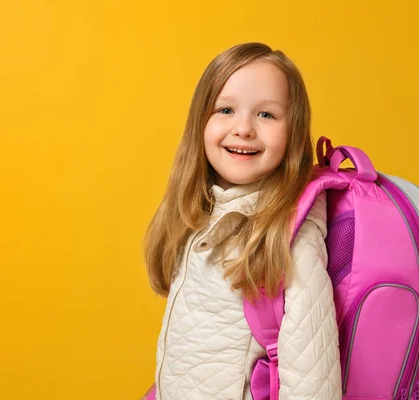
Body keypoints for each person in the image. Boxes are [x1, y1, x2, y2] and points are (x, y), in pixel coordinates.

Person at [142, 42, 341, 400]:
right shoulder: (201, 210)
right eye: (226, 109)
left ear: (293, 133)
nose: (244, 128)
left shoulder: (292, 232)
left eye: (266, 115)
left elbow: (312, 373)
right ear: (200, 122)